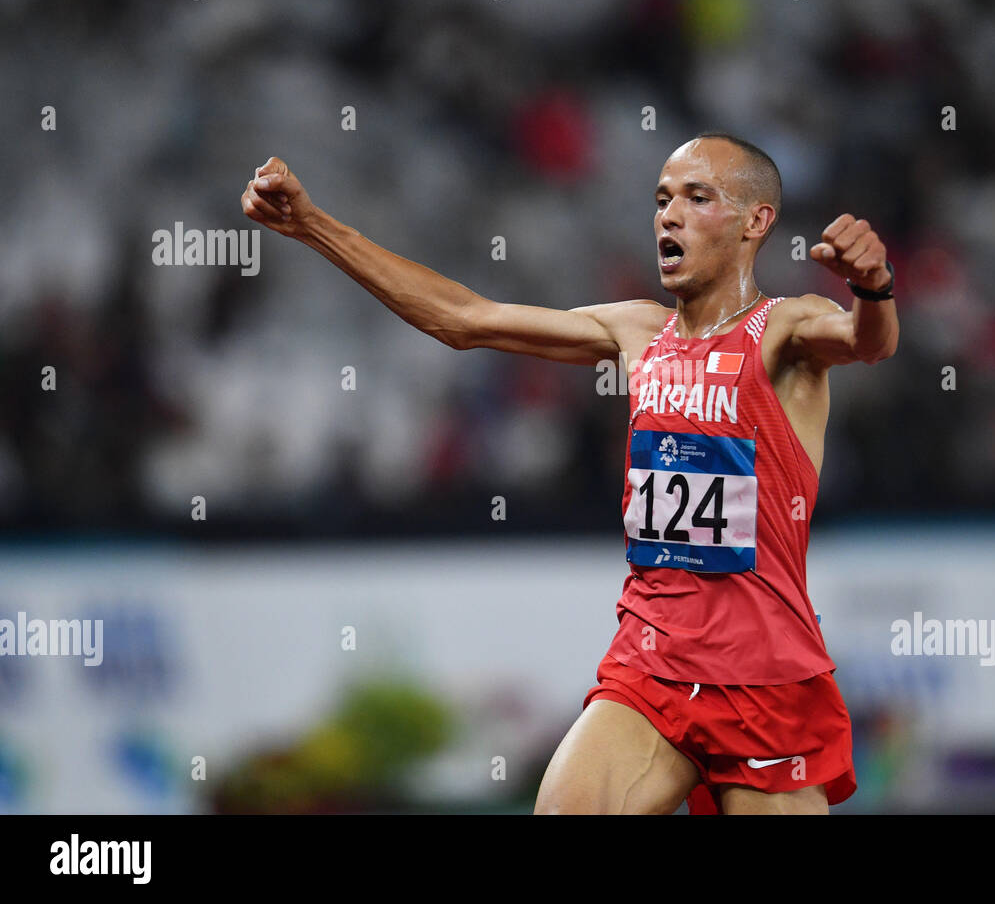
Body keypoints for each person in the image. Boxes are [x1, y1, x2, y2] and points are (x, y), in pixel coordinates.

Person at [241, 132, 899, 814]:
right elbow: (465, 319)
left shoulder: (788, 330)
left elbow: (867, 342)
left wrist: (873, 286)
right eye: (661, 199)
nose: (668, 215)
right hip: (653, 666)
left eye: (697, 198)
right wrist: (314, 226)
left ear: (755, 222)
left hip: (766, 679)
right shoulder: (636, 332)